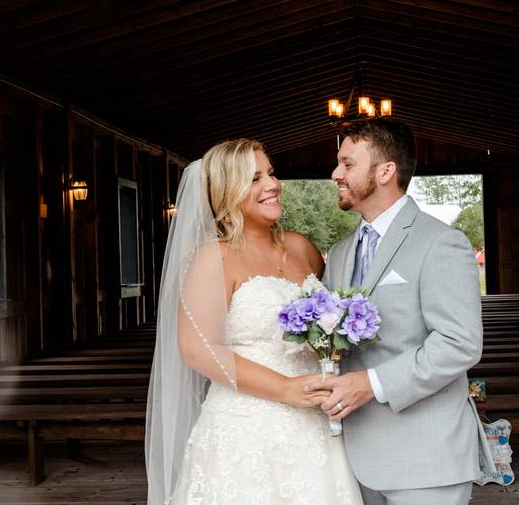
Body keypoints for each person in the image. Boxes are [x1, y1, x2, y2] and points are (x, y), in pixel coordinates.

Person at [145, 139, 364, 505]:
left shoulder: (301, 248)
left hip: (316, 422)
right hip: (247, 425)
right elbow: (197, 350)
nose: (272, 184)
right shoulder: (212, 258)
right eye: (255, 178)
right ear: (227, 192)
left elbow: (329, 320)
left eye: (271, 173)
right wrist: (285, 389)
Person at [308, 119, 485, 505]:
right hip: (351, 458)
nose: (335, 173)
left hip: (425, 457)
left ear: (386, 171)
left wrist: (370, 384)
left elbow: (460, 344)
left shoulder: (441, 242)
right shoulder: (339, 252)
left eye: (347, 164)